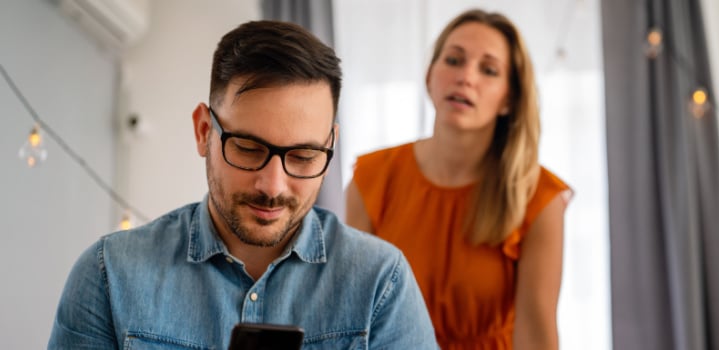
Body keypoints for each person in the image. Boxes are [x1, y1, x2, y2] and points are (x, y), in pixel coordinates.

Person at [49, 20, 437, 350]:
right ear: (204, 131)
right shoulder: (110, 275)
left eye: (303, 156)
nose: (272, 185)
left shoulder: (380, 284)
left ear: (330, 146)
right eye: (249, 149)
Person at [346, 9, 572, 350]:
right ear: (430, 76)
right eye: (453, 60)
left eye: (489, 70)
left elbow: (536, 338)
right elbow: (353, 317)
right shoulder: (373, 178)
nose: (466, 77)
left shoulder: (539, 197)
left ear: (509, 99)